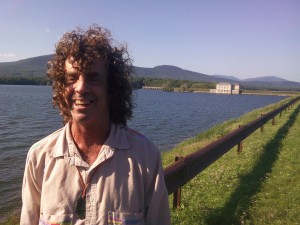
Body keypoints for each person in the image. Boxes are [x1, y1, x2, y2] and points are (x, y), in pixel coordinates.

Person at [21, 24, 171, 225]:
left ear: (112, 89)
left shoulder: (146, 157)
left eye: (93, 78)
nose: (80, 88)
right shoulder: (39, 158)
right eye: (71, 78)